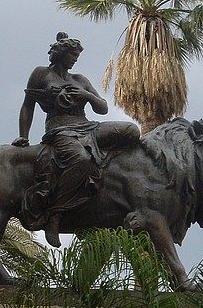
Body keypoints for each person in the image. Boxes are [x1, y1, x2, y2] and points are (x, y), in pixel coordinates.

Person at [12, 32, 139, 247]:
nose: (75, 59)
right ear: (61, 54)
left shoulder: (79, 79)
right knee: (81, 159)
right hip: (60, 128)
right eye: (72, 55)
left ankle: (110, 182)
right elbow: (28, 106)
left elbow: (103, 108)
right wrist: (23, 137)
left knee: (131, 131)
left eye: (77, 56)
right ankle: (55, 213)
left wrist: (86, 96)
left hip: (87, 126)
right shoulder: (41, 74)